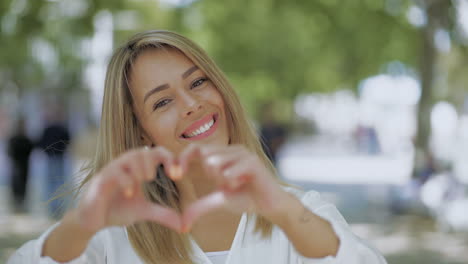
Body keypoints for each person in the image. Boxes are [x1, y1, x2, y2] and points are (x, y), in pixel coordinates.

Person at [8, 30, 387, 264]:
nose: (191, 104)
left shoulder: (301, 215)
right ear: (141, 132)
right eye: (162, 102)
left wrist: (284, 211)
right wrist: (84, 220)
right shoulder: (111, 235)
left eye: (198, 82)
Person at [37, 106, 71, 218]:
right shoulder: (62, 129)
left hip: (52, 158)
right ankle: (57, 206)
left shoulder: (48, 129)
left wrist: (47, 151)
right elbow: (68, 142)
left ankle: (53, 207)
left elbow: (41, 143)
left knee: (51, 183)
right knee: (58, 182)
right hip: (58, 158)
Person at [7, 117, 34, 212]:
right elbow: (9, 151)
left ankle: (21, 201)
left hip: (23, 164)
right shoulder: (14, 139)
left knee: (23, 183)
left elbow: (31, 149)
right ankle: (17, 201)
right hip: (17, 163)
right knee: (16, 183)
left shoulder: (25, 139)